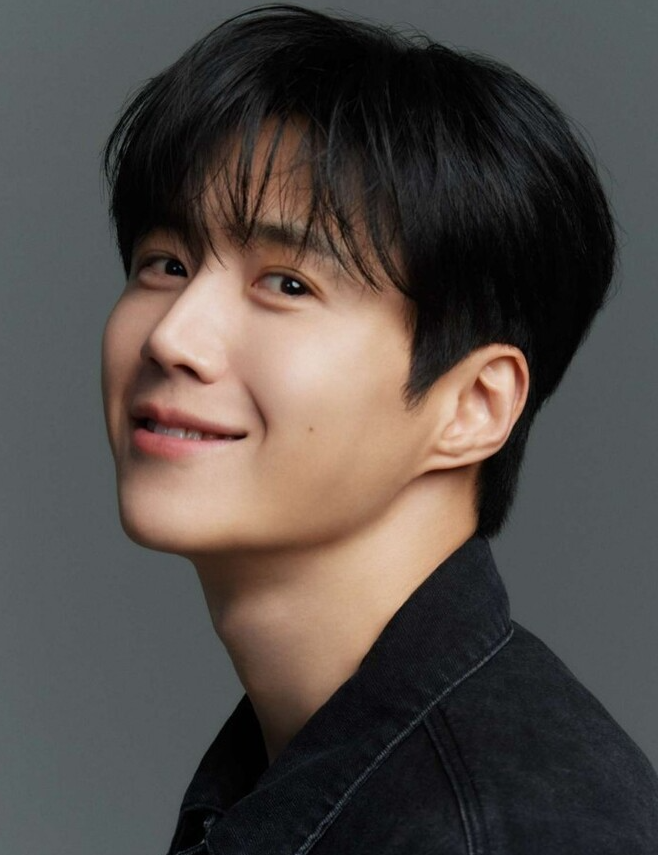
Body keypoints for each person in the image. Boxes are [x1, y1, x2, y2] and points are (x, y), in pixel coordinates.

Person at [100, 5, 658, 853]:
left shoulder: (504, 830)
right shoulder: (293, 765)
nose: (173, 336)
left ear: (473, 406)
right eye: (166, 264)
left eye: (287, 284)